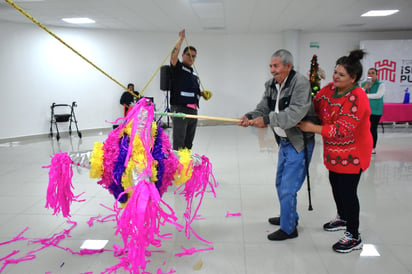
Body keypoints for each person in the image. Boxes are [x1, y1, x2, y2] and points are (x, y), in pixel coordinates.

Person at [297, 49, 373, 253]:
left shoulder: (358, 97)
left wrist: (312, 128)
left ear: (353, 78)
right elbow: (315, 104)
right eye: (335, 72)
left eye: (341, 75)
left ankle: (354, 235)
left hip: (353, 154)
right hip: (333, 153)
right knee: (336, 187)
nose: (335, 77)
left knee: (348, 193)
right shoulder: (330, 89)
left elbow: (342, 129)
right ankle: (343, 217)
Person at [238, 49, 316, 241]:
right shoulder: (272, 85)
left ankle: (289, 229)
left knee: (288, 188)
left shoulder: (300, 84)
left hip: (299, 143)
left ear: (288, 66)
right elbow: (263, 107)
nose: (272, 70)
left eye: (276, 66)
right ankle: (289, 216)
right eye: (271, 66)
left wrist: (266, 119)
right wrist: (250, 116)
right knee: (280, 183)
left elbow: (294, 114)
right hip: (283, 142)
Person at [169, 29, 209, 150]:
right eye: (189, 55)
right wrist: (180, 40)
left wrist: (201, 94)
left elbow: (190, 90)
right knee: (179, 144)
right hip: (180, 110)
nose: (192, 58)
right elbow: (173, 56)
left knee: (188, 144)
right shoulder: (178, 68)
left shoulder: (192, 73)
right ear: (183, 55)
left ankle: (186, 167)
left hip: (193, 112)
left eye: (194, 56)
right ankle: (176, 167)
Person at [361, 68, 385, 154]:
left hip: (375, 111)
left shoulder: (380, 84)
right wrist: (365, 88)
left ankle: (373, 147)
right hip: (365, 111)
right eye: (369, 73)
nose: (370, 75)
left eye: (372, 73)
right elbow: (359, 94)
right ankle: (365, 146)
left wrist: (365, 95)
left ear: (376, 75)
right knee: (364, 129)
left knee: (372, 129)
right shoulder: (364, 84)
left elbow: (378, 95)